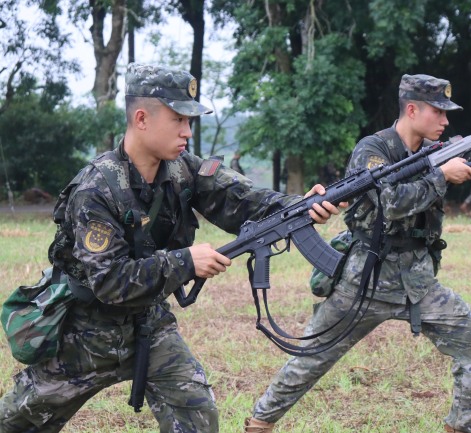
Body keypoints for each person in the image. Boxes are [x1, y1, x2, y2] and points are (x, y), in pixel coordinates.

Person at [0, 63, 340, 433]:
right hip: (85, 334)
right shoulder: (95, 190)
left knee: (197, 415)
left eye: (189, 122)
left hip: (148, 325)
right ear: (142, 118)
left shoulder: (182, 169)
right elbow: (111, 281)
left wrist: (298, 206)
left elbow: (242, 199)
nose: (186, 132)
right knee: (17, 422)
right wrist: (185, 261)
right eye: (178, 120)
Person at [244, 74, 471, 433]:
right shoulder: (372, 151)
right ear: (412, 109)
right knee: (310, 359)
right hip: (365, 282)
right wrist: (441, 177)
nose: (445, 120)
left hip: (418, 284)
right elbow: (389, 202)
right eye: (438, 112)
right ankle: (259, 424)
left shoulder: (436, 151)